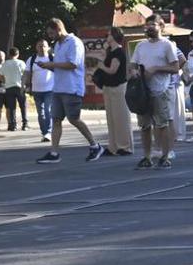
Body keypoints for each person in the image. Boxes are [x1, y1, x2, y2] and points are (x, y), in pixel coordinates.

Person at [35, 18, 102, 163]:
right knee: (56, 119)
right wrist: (48, 66)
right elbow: (60, 66)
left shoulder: (74, 42)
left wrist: (52, 64)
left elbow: (73, 64)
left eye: (52, 33)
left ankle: (95, 145)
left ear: (59, 29)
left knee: (74, 119)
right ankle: (54, 153)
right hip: (59, 87)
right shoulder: (58, 45)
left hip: (72, 87)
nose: (51, 37)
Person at [131, 16, 183, 169]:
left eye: (152, 24)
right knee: (145, 126)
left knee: (162, 124)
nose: (149, 28)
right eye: (147, 25)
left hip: (161, 90)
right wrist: (133, 72)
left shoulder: (167, 45)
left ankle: (165, 156)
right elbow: (133, 64)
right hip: (143, 91)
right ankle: (146, 157)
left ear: (160, 26)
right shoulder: (141, 46)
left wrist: (156, 69)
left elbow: (175, 68)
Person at [94, 28, 133, 156]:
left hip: (118, 87)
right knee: (111, 118)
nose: (107, 36)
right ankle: (113, 147)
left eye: (109, 34)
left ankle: (125, 147)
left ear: (115, 36)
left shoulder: (119, 52)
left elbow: (112, 70)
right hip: (108, 87)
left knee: (121, 118)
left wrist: (101, 66)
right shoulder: (110, 51)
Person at [28, 38, 54, 142]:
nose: (42, 48)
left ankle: (48, 132)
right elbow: (27, 73)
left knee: (48, 111)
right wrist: (24, 85)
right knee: (40, 113)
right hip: (36, 90)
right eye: (39, 46)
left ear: (48, 47)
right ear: (36, 48)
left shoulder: (52, 58)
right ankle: (44, 133)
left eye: (44, 46)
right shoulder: (32, 59)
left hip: (50, 89)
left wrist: (48, 67)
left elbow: (59, 71)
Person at [7, 46, 29, 131]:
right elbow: (25, 74)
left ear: (9, 55)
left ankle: (13, 125)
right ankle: (25, 124)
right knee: (23, 106)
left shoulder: (5, 63)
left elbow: (2, 75)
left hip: (9, 87)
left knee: (12, 107)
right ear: (18, 54)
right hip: (20, 86)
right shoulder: (21, 63)